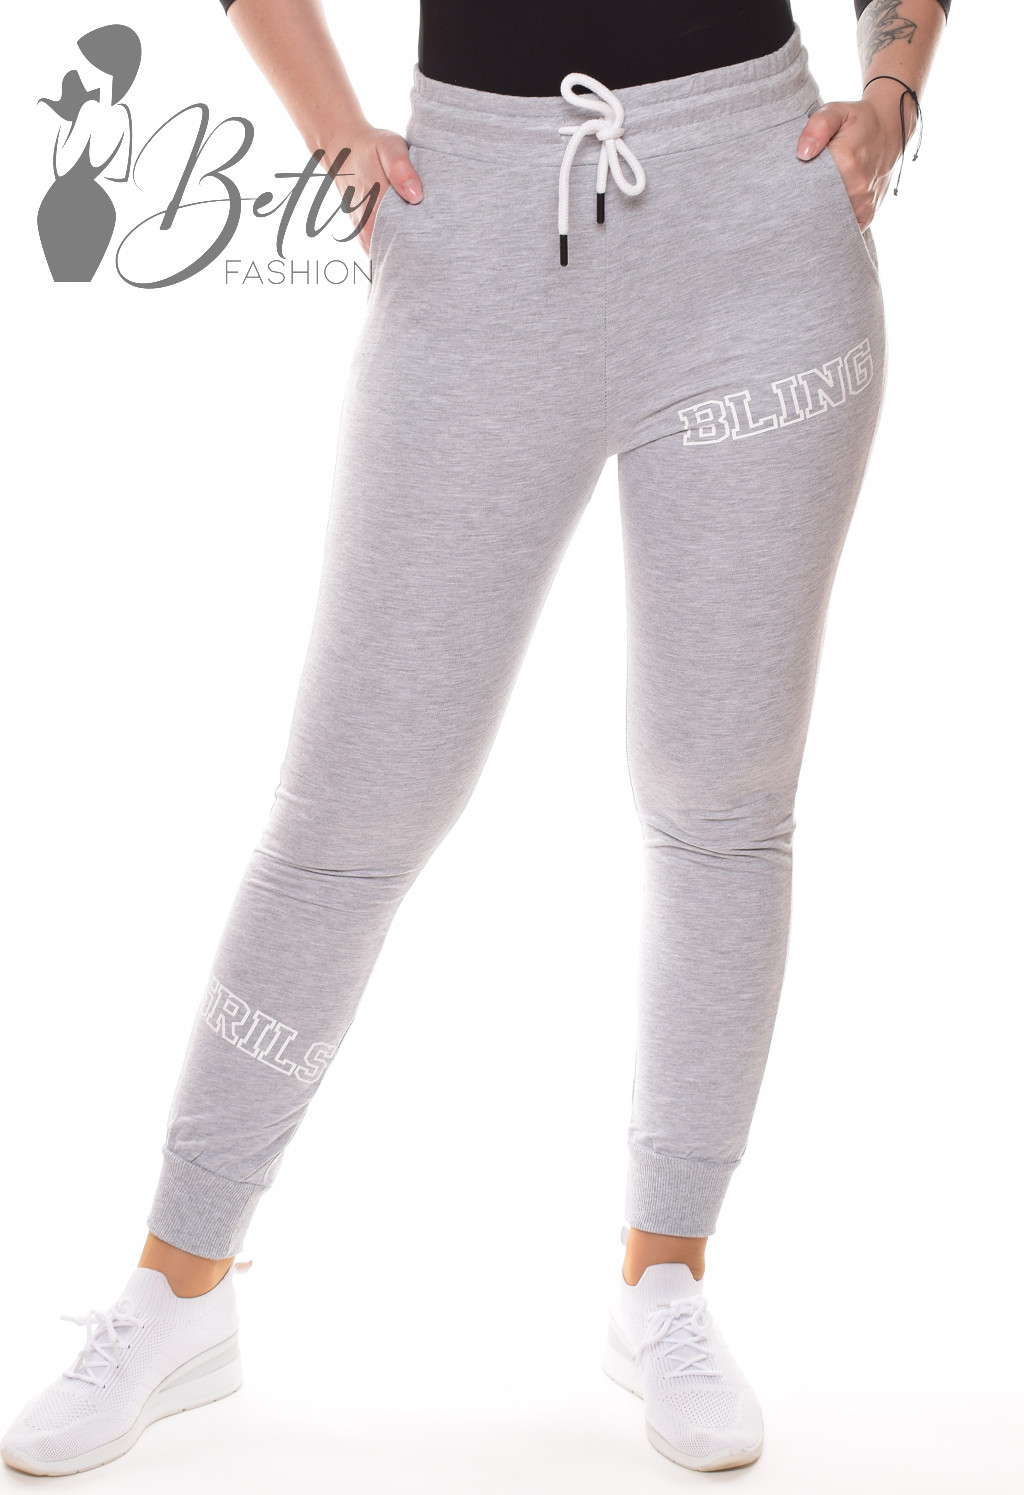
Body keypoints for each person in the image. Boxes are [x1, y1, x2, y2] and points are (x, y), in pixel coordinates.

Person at [2, 0, 949, 1477]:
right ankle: (178, 1287)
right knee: (352, 810)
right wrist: (339, 142)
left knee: (721, 794)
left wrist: (894, 90)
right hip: (481, 223)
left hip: (763, 229)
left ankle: (665, 1279)